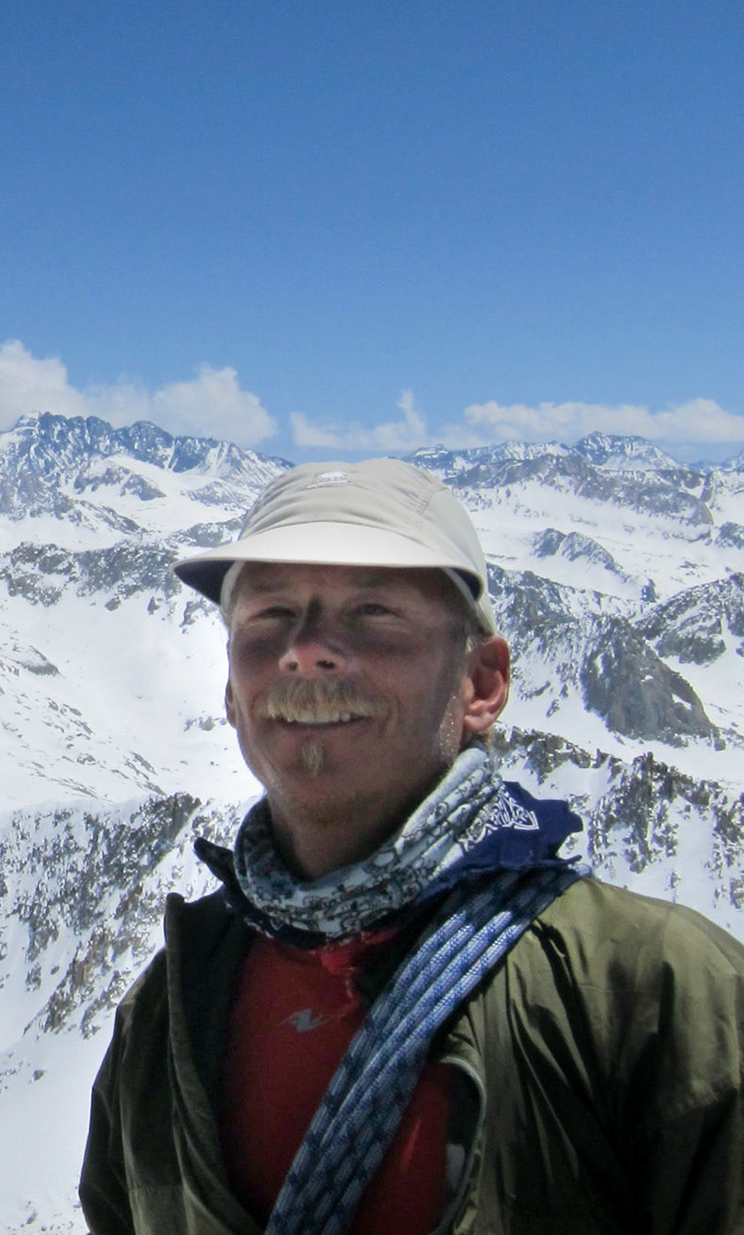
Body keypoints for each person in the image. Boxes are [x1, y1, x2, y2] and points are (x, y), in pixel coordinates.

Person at [79, 459, 744, 1234]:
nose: (306, 652)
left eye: (372, 612)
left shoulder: (658, 1000)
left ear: (482, 684)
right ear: (231, 691)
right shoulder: (169, 1013)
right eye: (269, 617)